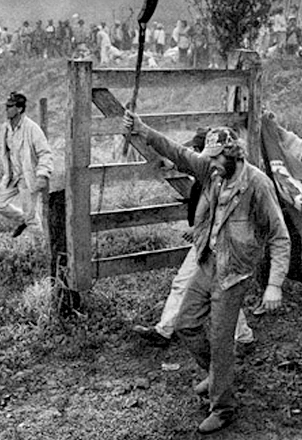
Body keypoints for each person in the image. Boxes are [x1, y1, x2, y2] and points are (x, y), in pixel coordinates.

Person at [123, 112, 290, 434]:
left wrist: (274, 285)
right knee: (186, 324)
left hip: (234, 272)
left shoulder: (257, 185)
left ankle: (223, 407)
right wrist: (143, 130)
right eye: (208, 160)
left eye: (215, 160)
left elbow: (279, 236)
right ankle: (217, 374)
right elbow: (178, 153)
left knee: (222, 339)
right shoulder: (212, 170)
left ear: (233, 154)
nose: (209, 166)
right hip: (207, 260)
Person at [132, 128, 255, 348]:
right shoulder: (207, 171)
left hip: (226, 244)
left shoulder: (237, 178)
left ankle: (243, 337)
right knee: (185, 283)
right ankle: (165, 330)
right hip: (205, 241)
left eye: (207, 154)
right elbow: (178, 155)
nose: (203, 158)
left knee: (224, 288)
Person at [0, 92, 53, 239]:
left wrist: (43, 174)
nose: (6, 109)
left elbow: (45, 153)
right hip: (12, 176)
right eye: (6, 106)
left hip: (28, 176)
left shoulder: (32, 128)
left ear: (19, 109)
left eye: (10, 107)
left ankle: (41, 248)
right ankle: (23, 220)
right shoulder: (6, 128)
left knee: (32, 218)